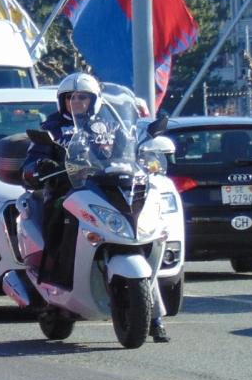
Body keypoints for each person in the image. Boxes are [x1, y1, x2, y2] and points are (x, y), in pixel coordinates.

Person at [23, 72, 168, 343]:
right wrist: (40, 166)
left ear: (95, 100)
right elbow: (31, 162)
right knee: (58, 223)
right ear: (62, 101)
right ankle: (55, 278)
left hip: (107, 189)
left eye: (83, 97)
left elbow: (131, 150)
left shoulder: (112, 126)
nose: (76, 102)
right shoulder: (51, 128)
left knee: (141, 239)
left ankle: (155, 316)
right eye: (71, 97)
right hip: (67, 191)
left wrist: (146, 157)